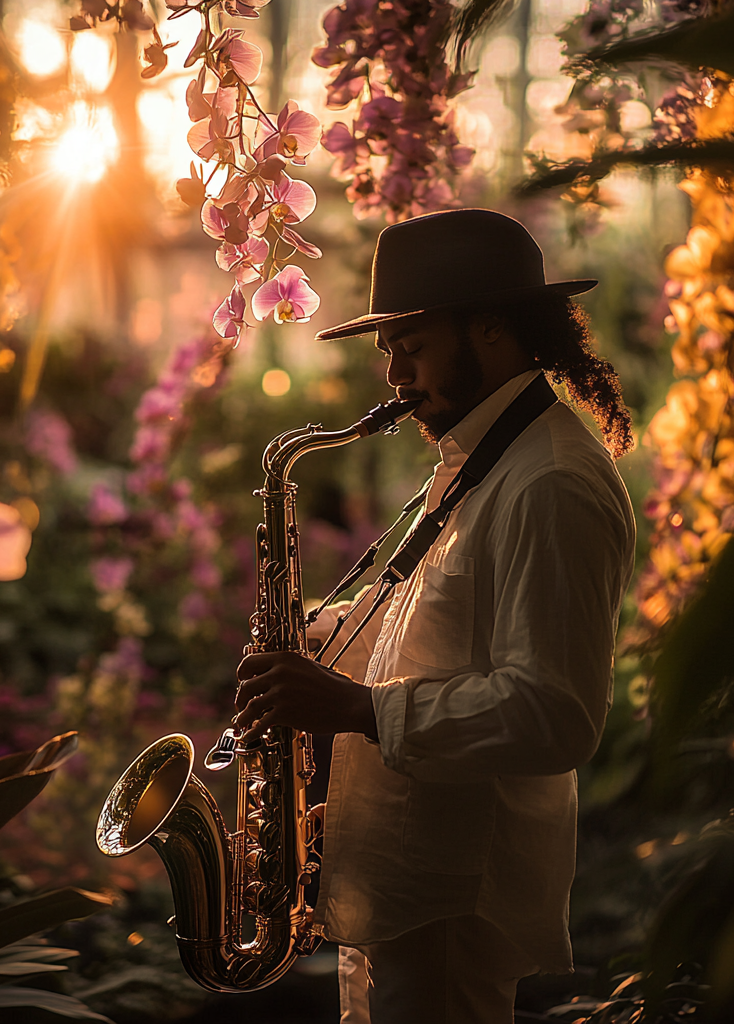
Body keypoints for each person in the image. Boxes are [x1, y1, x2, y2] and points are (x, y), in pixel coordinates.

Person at [234, 209, 637, 1023]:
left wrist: (354, 706)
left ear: (490, 330)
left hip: (454, 892)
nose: (391, 374)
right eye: (388, 350)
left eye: (409, 345)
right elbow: (447, 618)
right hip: (407, 878)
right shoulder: (485, 460)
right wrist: (313, 642)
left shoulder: (549, 483)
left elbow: (554, 713)